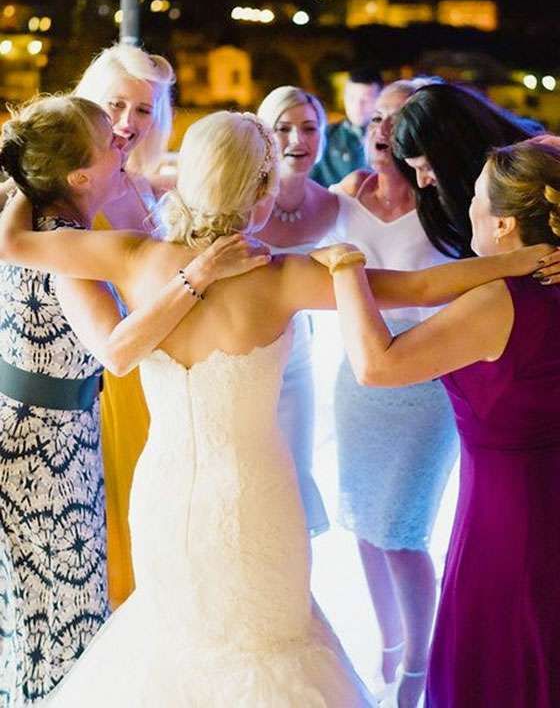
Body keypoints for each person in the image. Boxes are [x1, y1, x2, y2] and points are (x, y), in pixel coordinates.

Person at [0, 110, 549, 706]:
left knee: (171, 638)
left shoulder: (131, 256)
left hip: (162, 491)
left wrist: (25, 179)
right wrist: (510, 262)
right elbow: (417, 288)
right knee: (271, 649)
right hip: (256, 499)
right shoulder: (285, 276)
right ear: (260, 192)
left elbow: (12, 243)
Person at [0, 96, 269, 703]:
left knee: (37, 617)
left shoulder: (39, 215)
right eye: (109, 139)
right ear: (79, 176)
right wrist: (197, 277)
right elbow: (116, 353)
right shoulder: (62, 243)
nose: (124, 140)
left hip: (53, 430)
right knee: (58, 624)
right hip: (43, 451)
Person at [312, 137, 560, 707]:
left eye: (475, 195)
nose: (465, 204)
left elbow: (377, 365)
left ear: (502, 224)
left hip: (510, 524)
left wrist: (347, 264)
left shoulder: (503, 301)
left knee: (506, 659)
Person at [331, 79, 457, 708]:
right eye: (376, 117)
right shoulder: (345, 197)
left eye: (398, 120)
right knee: (362, 521)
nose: (382, 129)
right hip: (357, 380)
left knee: (403, 532)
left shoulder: (447, 204)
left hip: (427, 385)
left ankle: (417, 666)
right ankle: (384, 647)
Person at [74, 43, 176, 608]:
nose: (127, 124)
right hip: (102, 375)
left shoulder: (147, 184)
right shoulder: (70, 187)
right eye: (116, 105)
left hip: (157, 373)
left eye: (143, 110)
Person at [256, 85, 339, 537]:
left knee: (294, 473)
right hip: (241, 358)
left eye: (309, 128)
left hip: (300, 360)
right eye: (282, 128)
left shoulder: (333, 205)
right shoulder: (239, 203)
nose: (297, 140)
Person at [392, 82, 534, 257]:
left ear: (455, 152)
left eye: (426, 167)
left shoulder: (529, 173)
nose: (421, 182)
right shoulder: (443, 198)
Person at [311, 68, 382, 188]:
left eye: (365, 99)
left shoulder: (391, 138)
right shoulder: (325, 136)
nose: (357, 106)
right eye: (351, 98)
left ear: (380, 99)